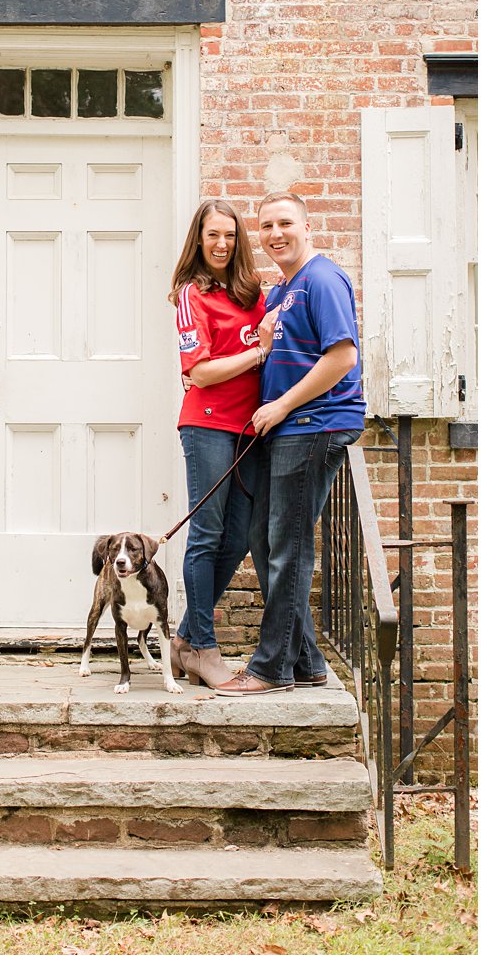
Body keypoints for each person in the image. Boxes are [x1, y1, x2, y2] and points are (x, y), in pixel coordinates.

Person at [215, 192, 365, 697]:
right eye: (266, 227)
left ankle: (271, 668)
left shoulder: (322, 279)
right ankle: (306, 660)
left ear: (307, 225)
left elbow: (342, 357)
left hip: (315, 426)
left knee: (289, 549)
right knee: (267, 539)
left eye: (284, 223)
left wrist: (281, 406)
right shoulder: (283, 290)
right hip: (283, 432)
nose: (275, 233)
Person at [166, 200, 267, 690]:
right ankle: (204, 648)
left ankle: (184, 639)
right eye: (212, 235)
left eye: (229, 235)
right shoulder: (191, 294)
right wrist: (256, 353)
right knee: (205, 533)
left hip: (251, 428)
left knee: (241, 534)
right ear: (199, 240)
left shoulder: (253, 294)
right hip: (206, 425)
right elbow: (200, 372)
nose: (222, 244)